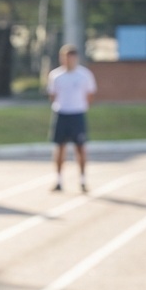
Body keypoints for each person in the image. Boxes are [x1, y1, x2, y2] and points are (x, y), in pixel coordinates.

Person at [46, 44, 97, 193]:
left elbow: (90, 94)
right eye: (65, 57)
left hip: (77, 114)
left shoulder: (84, 75)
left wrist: (80, 105)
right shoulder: (55, 75)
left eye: (71, 57)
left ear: (76, 58)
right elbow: (52, 95)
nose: (69, 60)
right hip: (61, 113)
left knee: (80, 148)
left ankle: (82, 180)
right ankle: (59, 180)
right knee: (59, 147)